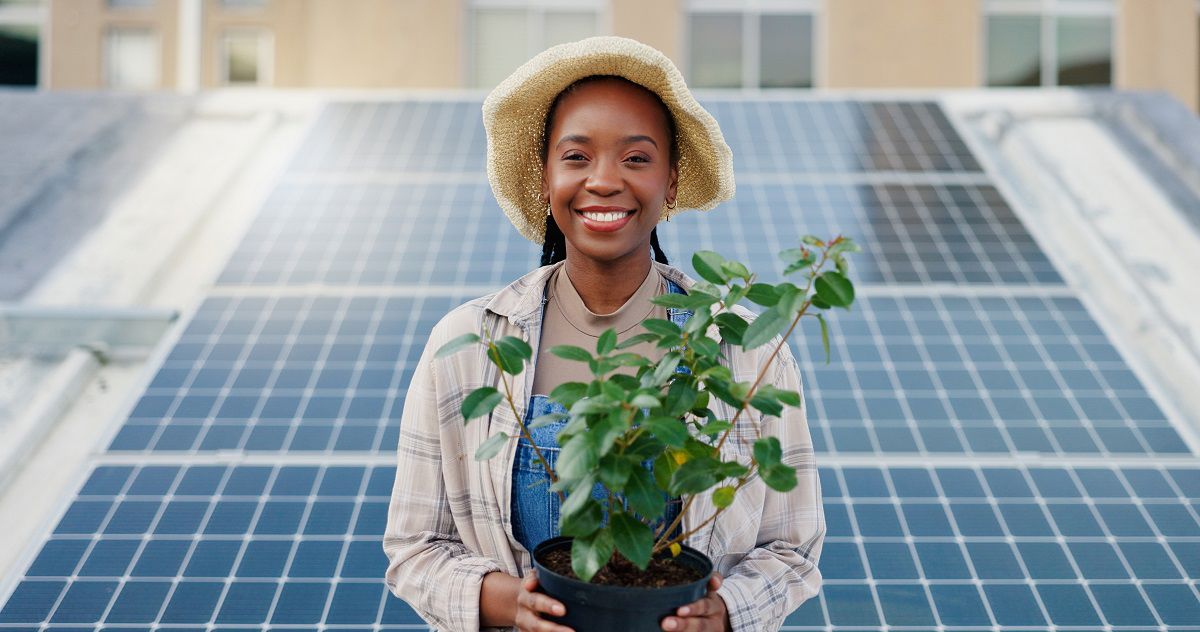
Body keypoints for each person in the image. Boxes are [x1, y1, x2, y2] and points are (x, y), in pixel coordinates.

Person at [383, 36, 824, 632]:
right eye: (576, 157)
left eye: (637, 159)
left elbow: (792, 549)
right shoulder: (469, 343)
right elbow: (415, 547)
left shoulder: (745, 347)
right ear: (544, 180)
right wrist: (510, 602)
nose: (605, 181)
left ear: (671, 184)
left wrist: (721, 613)